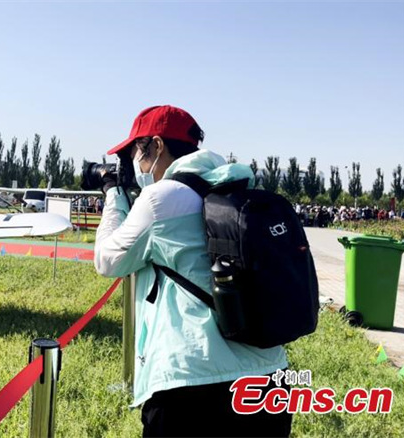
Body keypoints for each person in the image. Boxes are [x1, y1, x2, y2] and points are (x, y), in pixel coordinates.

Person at [93, 105, 291, 437]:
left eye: (135, 155)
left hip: (192, 382)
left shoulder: (161, 198)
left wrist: (112, 192)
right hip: (270, 376)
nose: (136, 167)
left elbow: (107, 260)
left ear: (156, 146)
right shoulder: (241, 191)